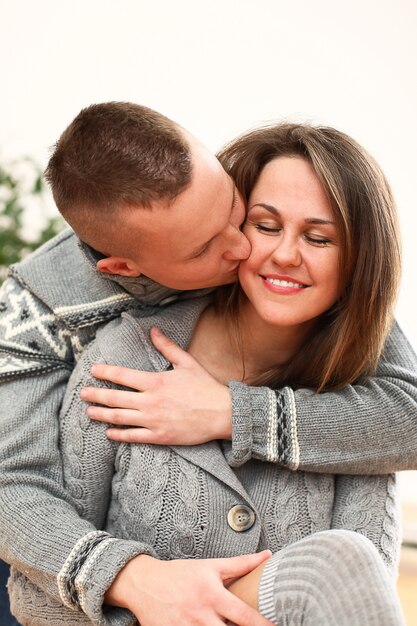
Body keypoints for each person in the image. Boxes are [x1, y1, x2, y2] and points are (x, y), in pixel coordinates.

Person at [0, 104, 415, 620]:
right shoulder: (48, 321)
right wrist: (135, 580)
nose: (245, 247)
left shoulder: (342, 352)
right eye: (262, 225)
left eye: (235, 213)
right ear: (126, 268)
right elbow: (11, 489)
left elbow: (407, 416)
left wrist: (231, 412)